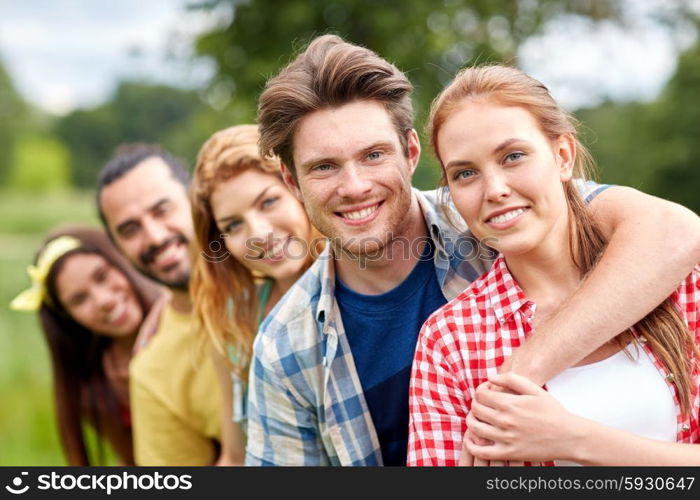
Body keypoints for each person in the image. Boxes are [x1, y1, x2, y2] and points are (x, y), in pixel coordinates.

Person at [247, 34, 700, 466]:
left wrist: (510, 382)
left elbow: (674, 233)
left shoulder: (506, 217)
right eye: (324, 167)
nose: (355, 186)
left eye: (373, 155)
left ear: (409, 153)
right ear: (292, 182)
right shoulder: (287, 345)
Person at [407, 64, 700, 466]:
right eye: (465, 173)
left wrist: (575, 439)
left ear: (562, 156)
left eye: (513, 156)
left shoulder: (680, 283)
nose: (494, 190)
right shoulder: (450, 341)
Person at [189, 124, 322, 464]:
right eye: (233, 225)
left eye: (268, 202)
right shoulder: (236, 321)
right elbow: (234, 456)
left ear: (297, 186)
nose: (258, 234)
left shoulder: (362, 284)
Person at [96, 144, 223, 466]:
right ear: (118, 249)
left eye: (162, 210)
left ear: (196, 198)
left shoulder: (282, 267)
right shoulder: (152, 371)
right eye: (129, 230)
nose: (153, 237)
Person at [10, 226, 163, 465]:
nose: (104, 301)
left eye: (102, 276)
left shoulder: (186, 321)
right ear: (69, 317)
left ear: (120, 260)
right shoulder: (97, 389)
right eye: (80, 299)